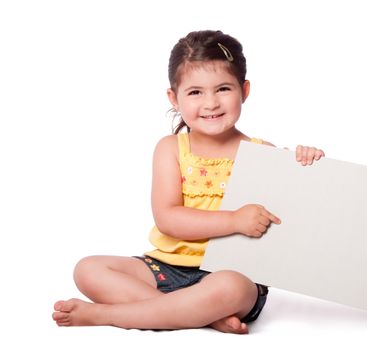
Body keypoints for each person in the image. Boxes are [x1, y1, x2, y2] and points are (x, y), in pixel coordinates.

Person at [52, 30, 324, 334]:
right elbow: (168, 218)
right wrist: (234, 220)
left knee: (231, 288)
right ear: (174, 97)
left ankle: (111, 315)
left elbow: (294, 217)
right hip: (167, 269)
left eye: (223, 89)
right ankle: (200, 314)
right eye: (195, 92)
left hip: (228, 275)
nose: (210, 103)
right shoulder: (171, 148)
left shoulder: (263, 154)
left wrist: (306, 163)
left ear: (244, 90)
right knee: (88, 269)